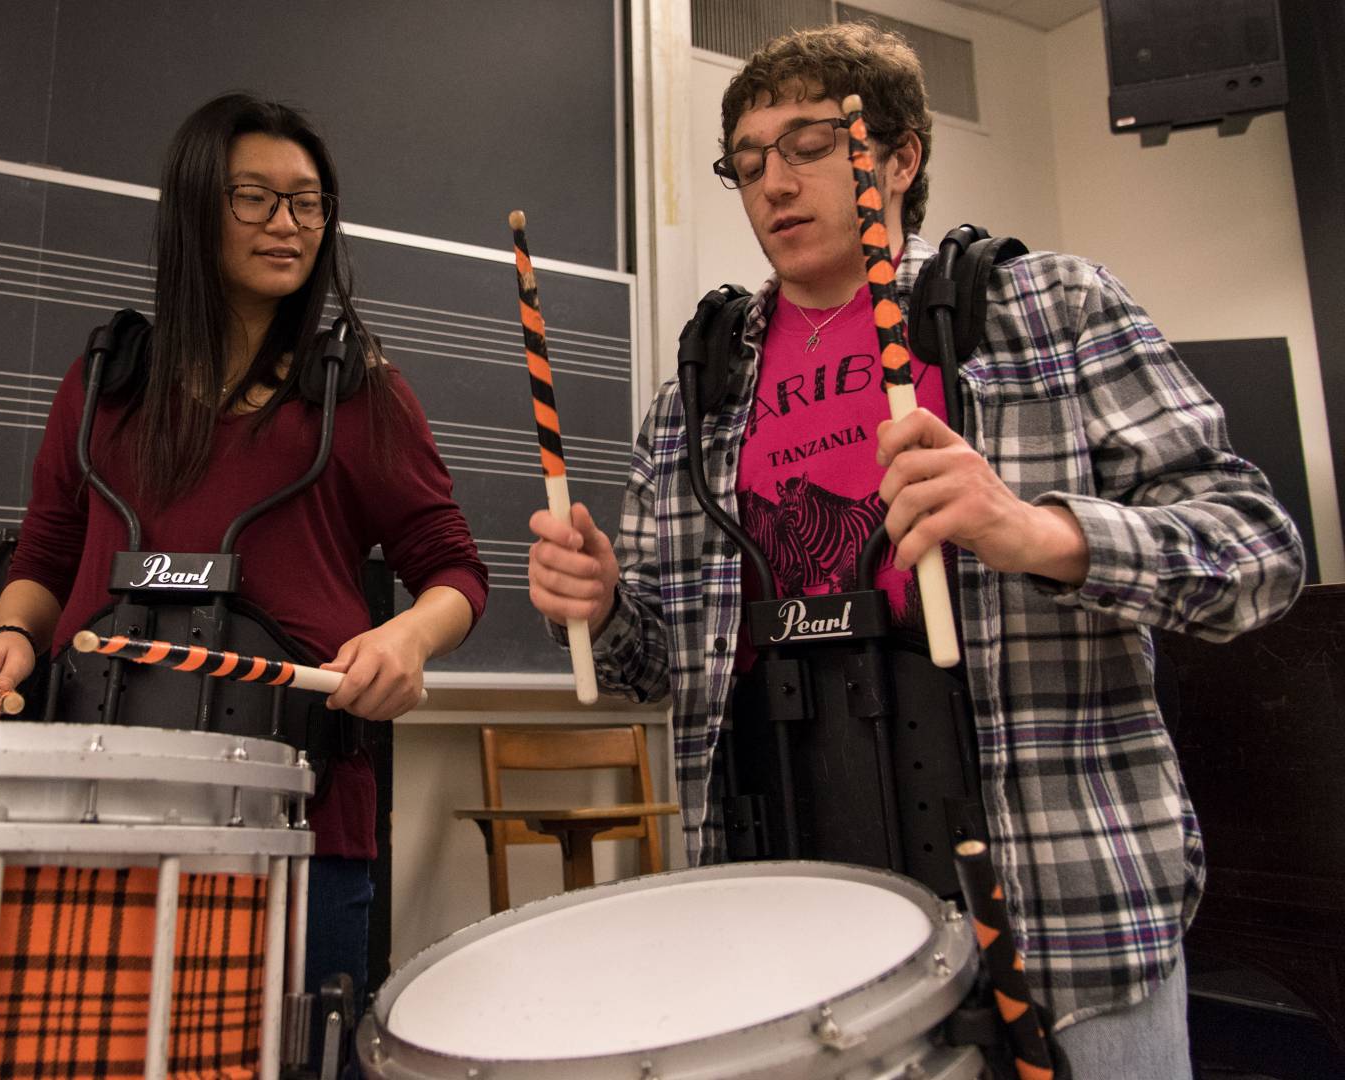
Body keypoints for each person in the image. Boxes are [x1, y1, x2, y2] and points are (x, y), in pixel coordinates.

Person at [525, 23, 1303, 1078]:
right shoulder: (698, 396)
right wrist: (604, 604)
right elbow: (654, 671)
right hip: (794, 932)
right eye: (747, 163)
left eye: (806, 145)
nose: (773, 184)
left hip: (1053, 914)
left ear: (898, 157)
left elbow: (1254, 552)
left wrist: (1037, 532)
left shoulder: (1047, 308)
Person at [0, 93, 487, 1018]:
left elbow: (455, 571)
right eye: (256, 198)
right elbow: (48, 548)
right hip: (95, 805)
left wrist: (409, 641)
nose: (288, 224)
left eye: (308, 203)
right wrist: (13, 639)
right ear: (197, 208)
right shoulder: (103, 383)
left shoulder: (358, 394)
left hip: (302, 821)